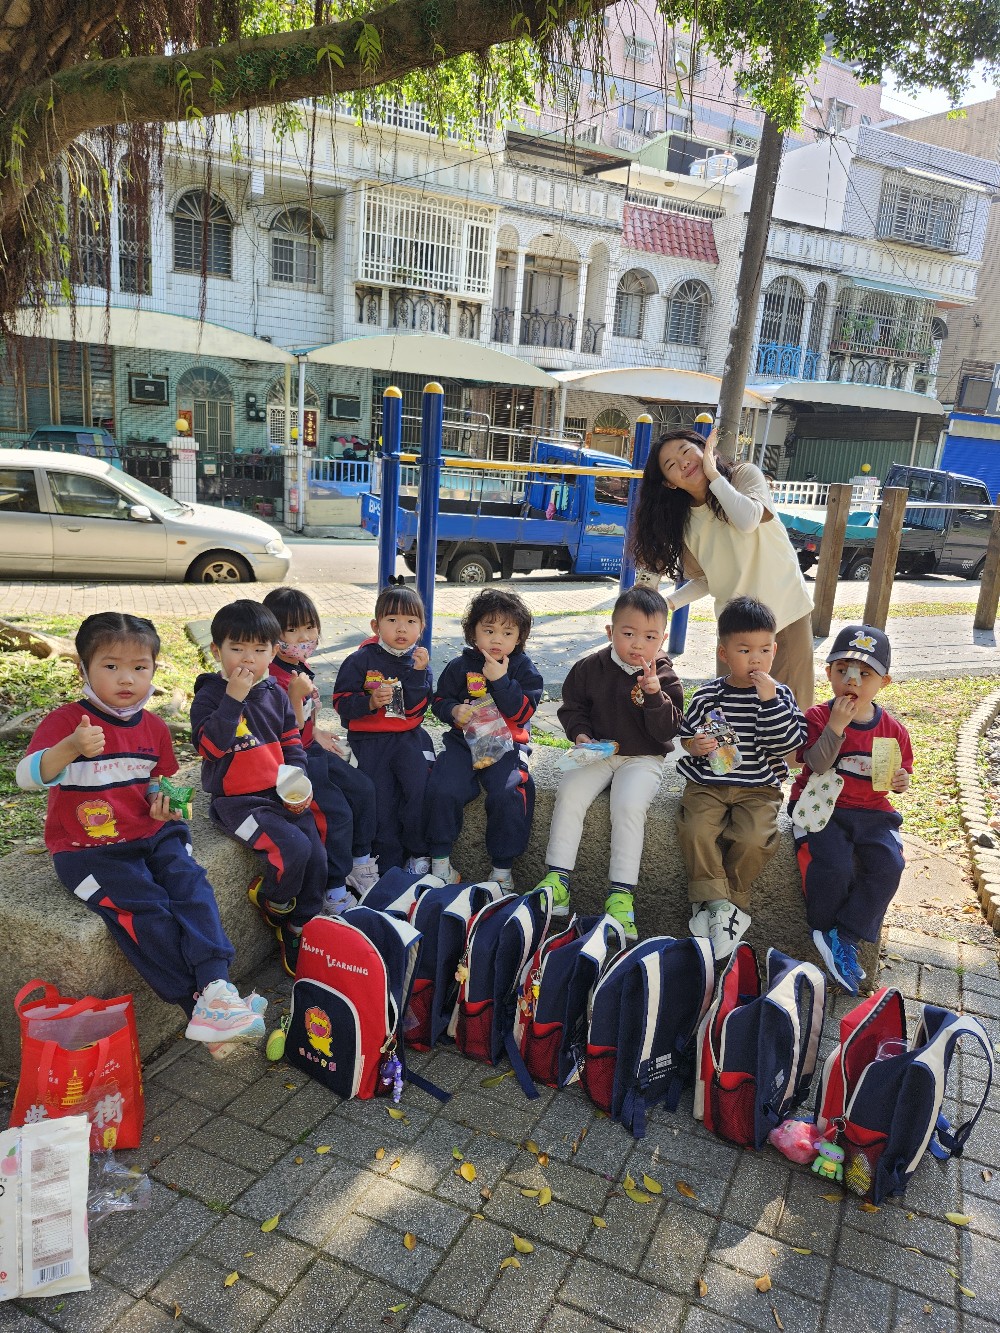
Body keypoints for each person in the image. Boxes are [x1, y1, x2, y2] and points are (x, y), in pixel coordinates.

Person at [17, 612, 265, 1059]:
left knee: (192, 886)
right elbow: (26, 777)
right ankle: (199, 1006)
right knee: (148, 910)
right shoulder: (68, 722)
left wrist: (160, 800)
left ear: (153, 669)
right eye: (111, 666)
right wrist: (70, 748)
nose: (126, 678)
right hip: (89, 851)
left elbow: (158, 778)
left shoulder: (152, 727)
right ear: (84, 669)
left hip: (152, 833)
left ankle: (217, 986)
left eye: (140, 667)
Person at [534, 586, 684, 940]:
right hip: (598, 752)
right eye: (628, 633)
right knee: (570, 792)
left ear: (662, 639)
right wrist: (581, 734)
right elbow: (573, 708)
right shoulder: (590, 667)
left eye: (649, 637)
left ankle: (621, 895)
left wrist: (654, 696)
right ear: (610, 631)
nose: (638, 644)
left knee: (629, 806)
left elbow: (669, 728)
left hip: (643, 757)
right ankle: (558, 880)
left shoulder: (664, 676)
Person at [630, 427, 816, 708]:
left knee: (791, 713)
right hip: (735, 629)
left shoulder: (743, 476)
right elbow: (708, 579)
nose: (683, 463)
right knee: (733, 716)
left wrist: (714, 474)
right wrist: (668, 603)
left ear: (704, 449)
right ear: (669, 483)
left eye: (686, 451)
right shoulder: (685, 521)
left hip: (785, 617)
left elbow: (748, 520)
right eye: (671, 465)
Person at [190, 600, 327, 977]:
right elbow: (210, 748)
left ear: (273, 651)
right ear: (216, 650)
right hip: (237, 804)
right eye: (237, 648)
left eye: (259, 649)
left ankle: (299, 925)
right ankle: (273, 902)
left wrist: (297, 779)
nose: (248, 659)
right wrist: (233, 700)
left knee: (316, 853)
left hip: (279, 794)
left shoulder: (275, 693)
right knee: (293, 848)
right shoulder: (210, 697)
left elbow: (291, 742)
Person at [677, 596, 806, 959]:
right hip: (708, 784)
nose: (756, 659)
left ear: (775, 651)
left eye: (764, 650)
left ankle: (722, 902)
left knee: (754, 838)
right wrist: (695, 745)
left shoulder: (780, 695)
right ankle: (721, 907)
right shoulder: (708, 695)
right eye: (745, 650)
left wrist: (769, 703)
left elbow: (788, 744)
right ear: (724, 653)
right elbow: (686, 736)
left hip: (759, 788)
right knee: (695, 828)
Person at [789, 624, 912, 993]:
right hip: (821, 804)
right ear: (828, 673)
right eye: (842, 670)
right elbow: (817, 764)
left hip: (872, 811)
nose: (851, 681)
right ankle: (823, 927)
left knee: (890, 864)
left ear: (884, 682)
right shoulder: (817, 717)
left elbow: (900, 772)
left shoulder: (892, 730)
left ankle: (846, 935)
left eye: (865, 674)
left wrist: (901, 780)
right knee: (835, 864)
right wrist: (836, 727)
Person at [262, 587, 379, 910]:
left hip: (310, 747)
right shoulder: (271, 676)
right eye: (292, 630)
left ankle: (360, 863)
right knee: (335, 814)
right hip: (291, 761)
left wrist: (317, 732)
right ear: (272, 634)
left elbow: (305, 717)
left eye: (310, 627)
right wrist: (294, 697)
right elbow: (281, 730)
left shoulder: (297, 664)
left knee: (364, 789)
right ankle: (334, 889)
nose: (304, 637)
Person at [424, 589, 543, 890]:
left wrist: (501, 681)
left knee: (509, 792)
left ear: (519, 637)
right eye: (488, 631)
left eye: (507, 632)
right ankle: (440, 862)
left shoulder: (523, 668)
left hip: (507, 745)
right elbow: (440, 701)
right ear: (473, 632)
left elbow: (524, 711)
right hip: (463, 743)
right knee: (442, 786)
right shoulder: (459, 666)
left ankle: (502, 870)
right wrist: (453, 710)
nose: (497, 639)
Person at [332, 585, 434, 872]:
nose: (401, 628)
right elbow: (340, 702)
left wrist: (418, 675)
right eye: (392, 620)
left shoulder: (419, 662)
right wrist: (369, 702)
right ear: (376, 626)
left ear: (421, 628)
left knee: (419, 791)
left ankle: (418, 854)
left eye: (411, 621)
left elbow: (417, 708)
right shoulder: (360, 660)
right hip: (370, 741)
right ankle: (386, 864)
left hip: (409, 738)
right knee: (380, 800)